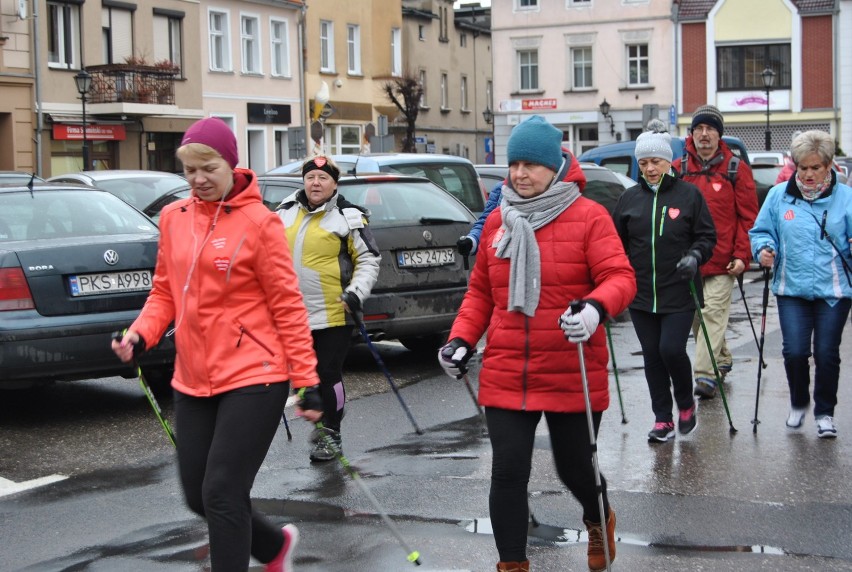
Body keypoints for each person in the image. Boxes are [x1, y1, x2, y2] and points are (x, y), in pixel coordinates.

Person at [111, 116, 323, 572]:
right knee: (197, 494)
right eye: (190, 170)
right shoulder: (174, 218)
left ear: (231, 163)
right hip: (192, 377)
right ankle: (273, 548)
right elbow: (165, 291)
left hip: (255, 375)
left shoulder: (260, 224)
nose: (199, 179)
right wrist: (139, 334)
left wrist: (308, 380)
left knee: (223, 491)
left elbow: (287, 307)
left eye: (208, 168)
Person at [438, 115, 636, 572]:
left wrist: (594, 309)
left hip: (571, 366)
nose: (520, 174)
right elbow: (482, 294)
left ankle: (597, 515)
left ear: (555, 166)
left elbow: (620, 277)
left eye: (531, 165)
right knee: (508, 472)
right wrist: (461, 340)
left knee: (575, 470)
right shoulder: (497, 223)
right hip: (508, 368)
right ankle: (512, 565)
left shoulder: (589, 217)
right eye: (514, 164)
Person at [612, 126, 716, 443]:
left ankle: (685, 403)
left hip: (680, 289)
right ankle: (662, 419)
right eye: (643, 163)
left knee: (671, 349)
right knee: (652, 356)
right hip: (641, 293)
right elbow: (616, 245)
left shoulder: (689, 195)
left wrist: (695, 256)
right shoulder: (629, 198)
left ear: (668, 161)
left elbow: (706, 237)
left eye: (656, 161)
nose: (650, 169)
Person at [277, 154, 381, 462]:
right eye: (310, 177)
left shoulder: (348, 217)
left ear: (334, 184)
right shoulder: (284, 212)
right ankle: (318, 417)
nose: (315, 183)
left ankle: (330, 432)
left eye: (323, 178)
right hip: (291, 313)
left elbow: (368, 260)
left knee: (327, 373)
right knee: (302, 377)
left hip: (334, 312)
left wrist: (356, 293)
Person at [750, 129, 852, 438]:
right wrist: (765, 249)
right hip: (791, 287)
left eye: (815, 167)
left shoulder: (845, 198)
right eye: (802, 167)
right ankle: (798, 401)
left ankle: (824, 413)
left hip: (833, 290)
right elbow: (761, 231)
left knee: (826, 352)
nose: (808, 174)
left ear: (829, 165)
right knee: (794, 351)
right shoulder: (779, 196)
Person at [672, 105, 758, 399]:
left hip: (723, 261)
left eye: (710, 129)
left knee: (712, 313)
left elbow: (748, 218)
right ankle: (720, 358)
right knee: (697, 317)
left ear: (719, 134)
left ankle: (705, 376)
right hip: (690, 261)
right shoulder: (678, 168)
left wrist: (741, 256)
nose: (704, 134)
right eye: (699, 129)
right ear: (692, 133)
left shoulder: (736, 169)